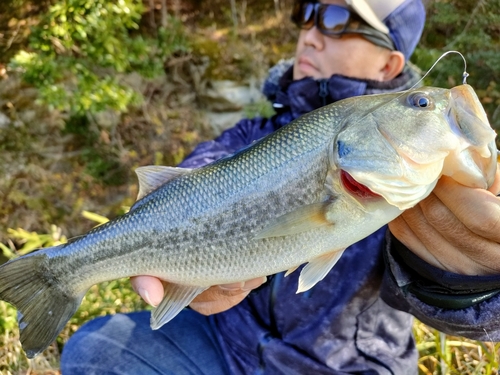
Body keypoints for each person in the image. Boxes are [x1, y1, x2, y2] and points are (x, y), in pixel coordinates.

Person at [61, 0, 500, 373]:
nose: (310, 34)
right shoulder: (254, 130)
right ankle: (63, 271)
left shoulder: (426, 175)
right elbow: (203, 170)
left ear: (390, 63)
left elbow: (464, 312)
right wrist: (186, 253)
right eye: (306, 14)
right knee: (98, 349)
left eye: (335, 19)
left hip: (342, 366)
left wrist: (467, 283)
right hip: (225, 346)